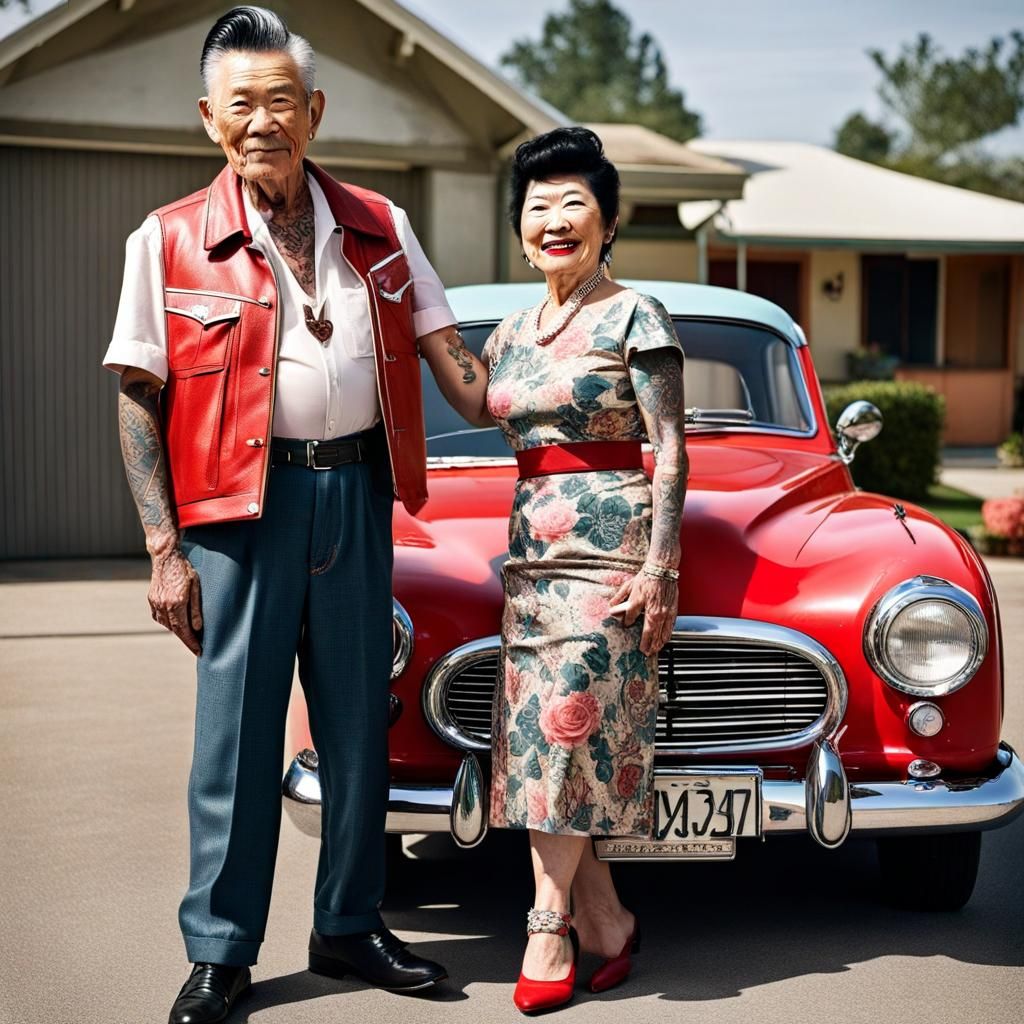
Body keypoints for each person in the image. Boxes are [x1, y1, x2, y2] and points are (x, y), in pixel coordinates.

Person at [103, 8, 489, 1023]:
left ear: (314, 111)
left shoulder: (381, 224)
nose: (263, 120)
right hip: (237, 511)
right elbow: (139, 393)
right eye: (242, 103)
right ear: (208, 119)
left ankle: (350, 924)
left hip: (357, 493)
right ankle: (222, 950)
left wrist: (570, 365)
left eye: (282, 99)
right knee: (235, 735)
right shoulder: (169, 238)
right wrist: (162, 549)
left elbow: (455, 357)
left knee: (361, 721)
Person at [484, 127, 688, 1012]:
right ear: (520, 233)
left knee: (564, 727)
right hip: (530, 556)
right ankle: (610, 923)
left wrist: (662, 564)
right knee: (533, 737)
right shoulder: (509, 331)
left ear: (608, 223)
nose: (555, 221)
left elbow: (673, 450)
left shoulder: (635, 313)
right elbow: (473, 395)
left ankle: (547, 920)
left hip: (610, 553)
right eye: (537, 209)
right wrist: (411, 325)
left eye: (574, 204)